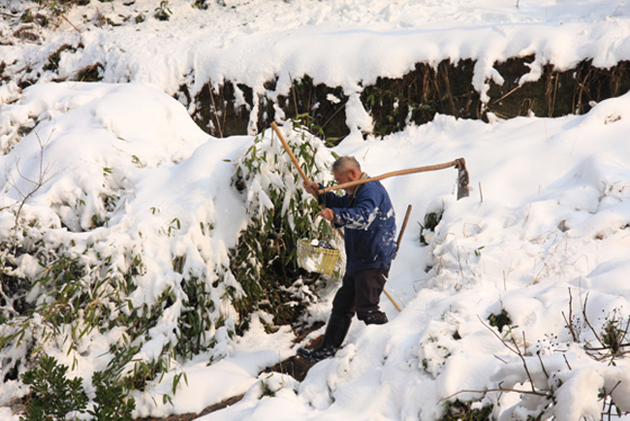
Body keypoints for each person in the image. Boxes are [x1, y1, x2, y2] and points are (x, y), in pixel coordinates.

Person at [297, 156, 397, 362]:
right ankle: (326, 351)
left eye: (340, 181)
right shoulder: (355, 192)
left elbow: (363, 216)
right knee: (342, 305)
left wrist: (336, 215)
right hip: (358, 260)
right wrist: (321, 192)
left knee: (367, 309)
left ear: (352, 174)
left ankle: (388, 351)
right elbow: (341, 203)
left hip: (372, 259)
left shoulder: (370, 190)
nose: (340, 186)